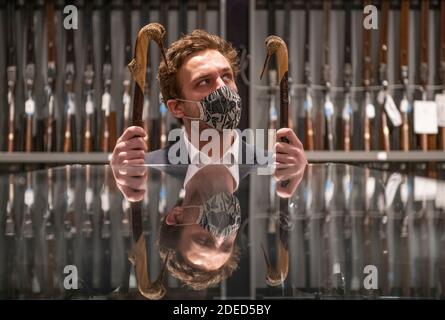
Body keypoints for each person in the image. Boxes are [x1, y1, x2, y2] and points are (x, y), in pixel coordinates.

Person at [110, 29, 307, 168]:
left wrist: (301, 178)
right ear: (177, 107)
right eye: (204, 82)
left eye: (226, 76)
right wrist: (118, 179)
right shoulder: (152, 168)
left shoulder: (272, 168)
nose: (222, 87)